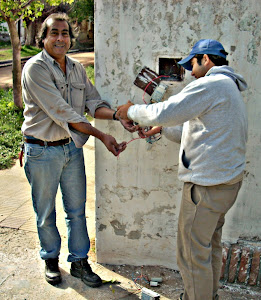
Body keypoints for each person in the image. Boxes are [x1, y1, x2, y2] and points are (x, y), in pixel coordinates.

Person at [116, 39, 248, 300]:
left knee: (190, 254)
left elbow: (168, 110)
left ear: (206, 59)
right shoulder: (227, 87)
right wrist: (161, 129)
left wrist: (131, 111)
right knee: (207, 248)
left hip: (206, 189)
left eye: (193, 64)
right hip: (225, 184)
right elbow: (197, 130)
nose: (190, 71)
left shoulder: (211, 84)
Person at [21, 13, 137, 287]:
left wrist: (120, 116)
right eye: (54, 33)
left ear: (70, 39)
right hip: (41, 151)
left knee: (76, 210)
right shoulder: (35, 69)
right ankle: (51, 259)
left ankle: (79, 262)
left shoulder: (76, 69)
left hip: (71, 149)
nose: (60, 38)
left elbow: (94, 102)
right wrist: (101, 135)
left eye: (65, 33)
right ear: (43, 38)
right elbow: (63, 112)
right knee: (46, 211)